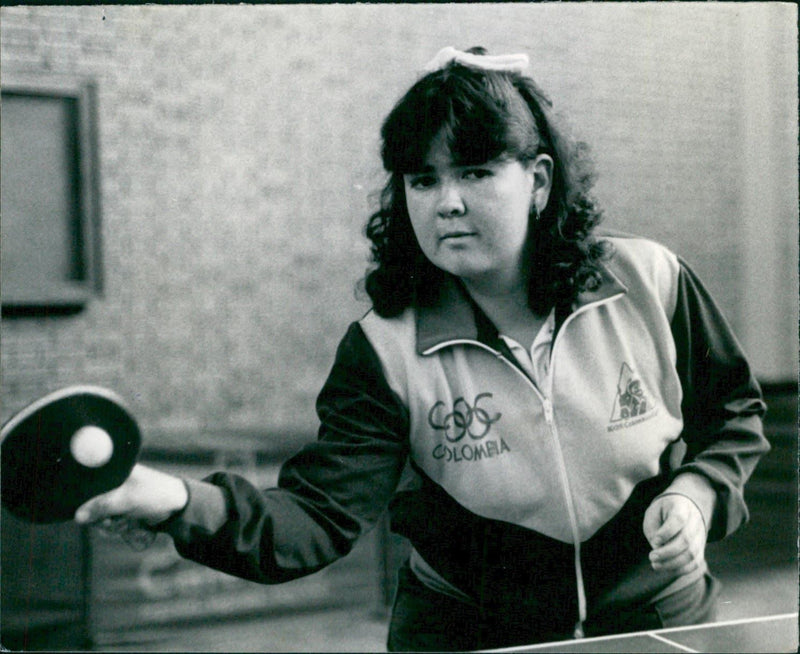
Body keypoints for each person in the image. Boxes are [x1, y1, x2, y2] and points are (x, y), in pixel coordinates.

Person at [75, 46, 770, 651]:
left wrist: (698, 493)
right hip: (468, 633)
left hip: (659, 618)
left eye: (473, 172)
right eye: (422, 179)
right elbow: (313, 519)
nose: (446, 203)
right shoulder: (383, 351)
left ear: (539, 181)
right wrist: (172, 498)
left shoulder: (650, 281)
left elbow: (732, 411)